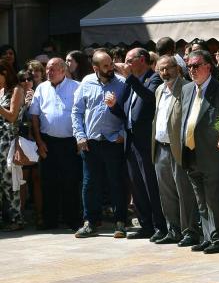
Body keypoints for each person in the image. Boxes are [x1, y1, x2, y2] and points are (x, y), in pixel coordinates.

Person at [104, 48, 166, 240]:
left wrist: (129, 77)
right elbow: (125, 112)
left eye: (130, 60)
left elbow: (150, 98)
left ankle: (160, 226)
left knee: (150, 185)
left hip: (146, 142)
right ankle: (145, 224)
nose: (126, 64)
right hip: (130, 140)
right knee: (137, 185)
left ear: (142, 60)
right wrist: (113, 106)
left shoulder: (153, 78)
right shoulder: (131, 83)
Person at [71, 50, 127, 238]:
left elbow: (129, 113)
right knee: (89, 184)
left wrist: (122, 134)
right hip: (91, 142)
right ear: (95, 68)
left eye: (111, 64)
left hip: (113, 141)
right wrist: (80, 136)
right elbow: (77, 111)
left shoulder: (122, 83)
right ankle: (90, 222)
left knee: (116, 182)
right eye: (105, 66)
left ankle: (120, 221)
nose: (110, 68)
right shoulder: (86, 83)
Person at [180, 49, 219, 253]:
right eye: (189, 66)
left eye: (196, 66)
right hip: (190, 152)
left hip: (212, 152)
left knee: (214, 198)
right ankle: (208, 236)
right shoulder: (186, 90)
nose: (191, 70)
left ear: (208, 67)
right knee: (200, 199)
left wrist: (216, 133)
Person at [28, 58, 81, 231]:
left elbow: (82, 113)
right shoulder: (41, 88)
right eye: (47, 69)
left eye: (53, 69)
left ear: (63, 70)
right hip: (47, 141)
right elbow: (34, 115)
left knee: (70, 181)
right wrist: (39, 140)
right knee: (48, 182)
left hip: (70, 142)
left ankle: (72, 219)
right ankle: (50, 219)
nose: (49, 72)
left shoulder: (76, 87)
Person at [151, 55, 198, 246]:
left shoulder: (187, 88)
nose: (165, 73)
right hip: (160, 146)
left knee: (184, 191)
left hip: (179, 148)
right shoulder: (159, 90)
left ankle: (190, 231)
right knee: (166, 192)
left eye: (168, 68)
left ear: (177, 68)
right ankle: (173, 230)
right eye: (161, 69)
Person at [0, 61, 25, 231]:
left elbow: (12, 116)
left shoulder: (16, 90)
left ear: (4, 73)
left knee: (9, 182)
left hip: (8, 141)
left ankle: (16, 218)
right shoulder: (1, 91)